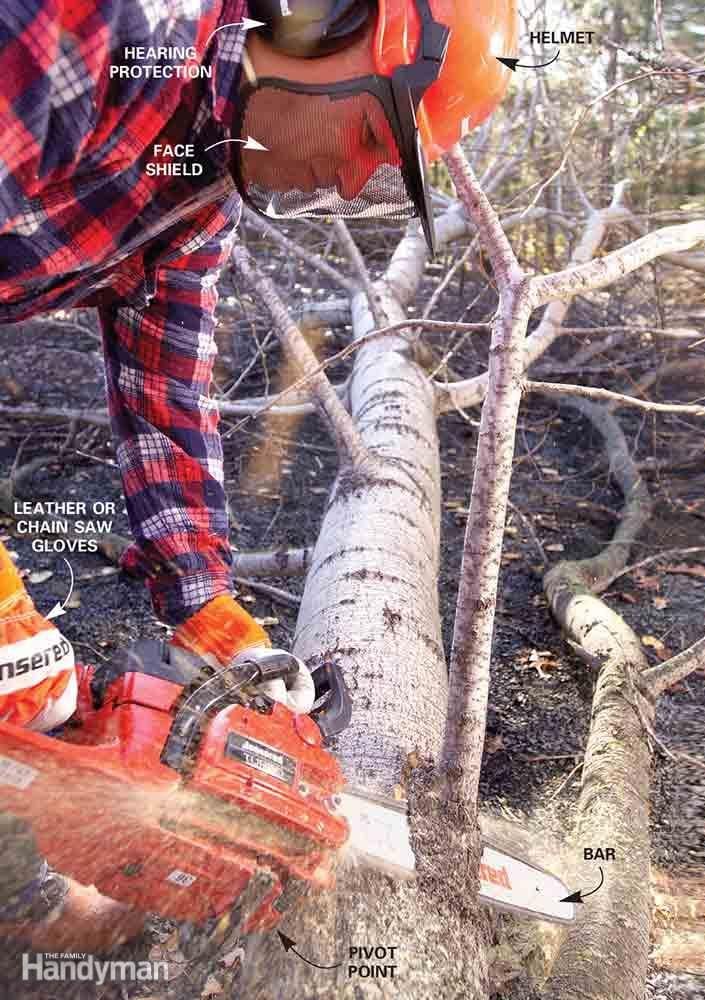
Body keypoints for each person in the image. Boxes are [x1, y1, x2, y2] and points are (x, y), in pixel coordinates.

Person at [0, 0, 515, 952]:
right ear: (313, 21)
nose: (357, 179)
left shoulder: (194, 187)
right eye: (370, 134)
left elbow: (165, 394)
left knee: (47, 704)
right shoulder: (96, 28)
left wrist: (212, 617)